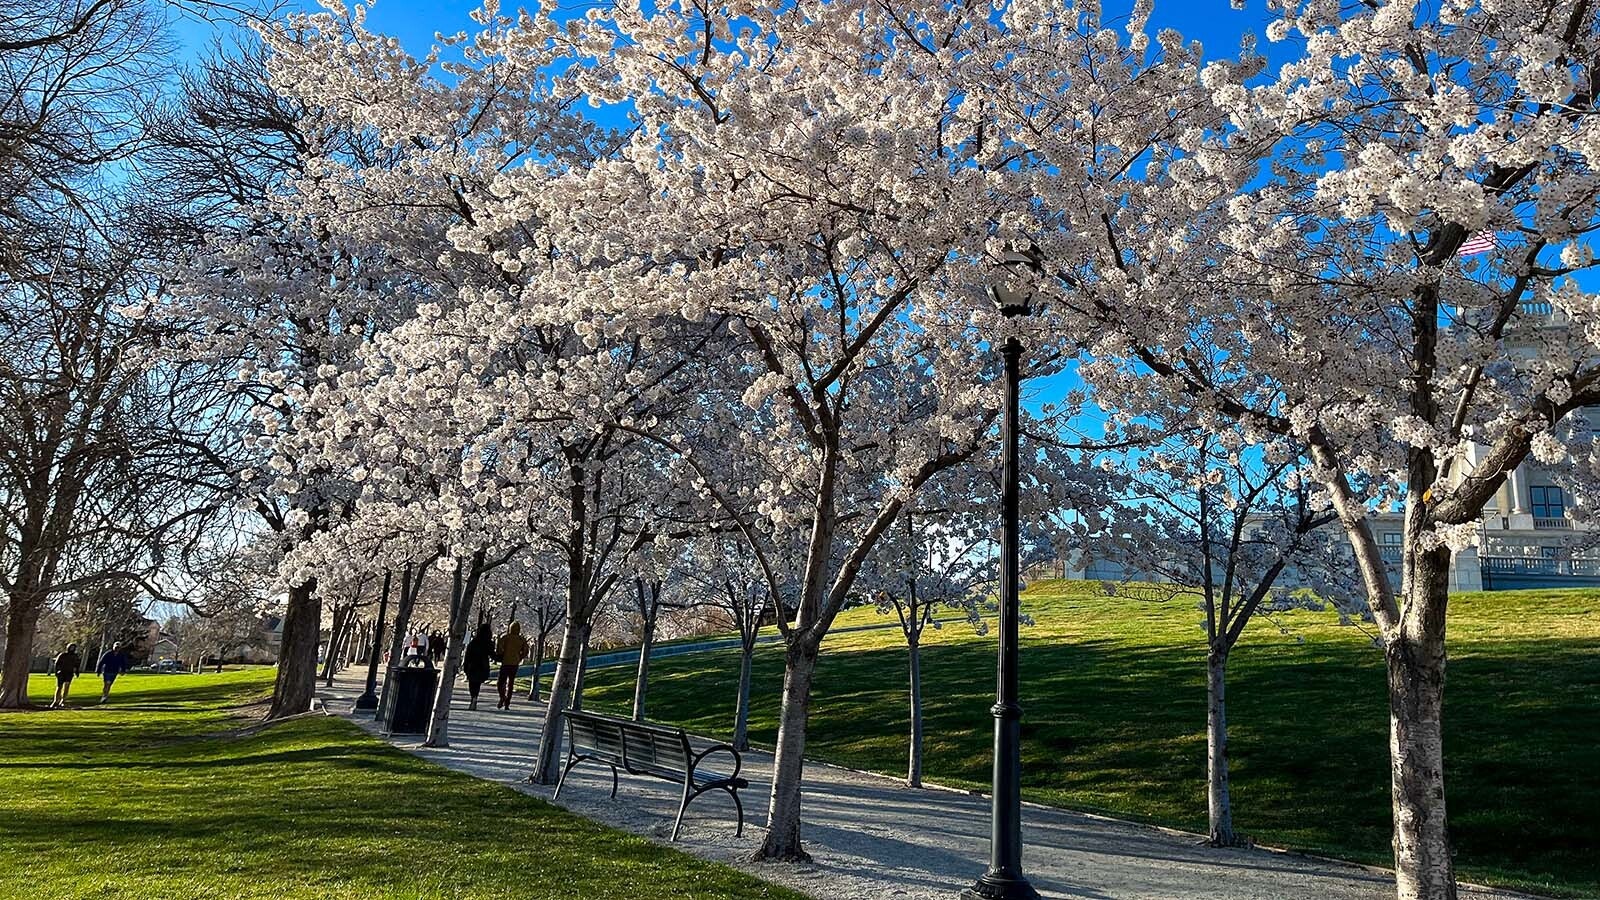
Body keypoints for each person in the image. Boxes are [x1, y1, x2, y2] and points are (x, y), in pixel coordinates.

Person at [494, 622, 530, 710]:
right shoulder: (521, 640)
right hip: (515, 664)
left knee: (500, 682)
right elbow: (525, 651)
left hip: (505, 663)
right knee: (511, 683)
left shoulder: (505, 638)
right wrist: (520, 657)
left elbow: (499, 648)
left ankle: (502, 697)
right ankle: (507, 703)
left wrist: (501, 655)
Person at [463, 623, 498, 711]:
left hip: (472, 664)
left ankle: (473, 697)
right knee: (477, 683)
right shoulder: (488, 643)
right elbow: (493, 655)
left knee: (472, 683)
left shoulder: (474, 642)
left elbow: (468, 655)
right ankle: (475, 697)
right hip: (482, 665)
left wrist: (465, 665)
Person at [51, 643, 82, 709]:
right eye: (71, 647)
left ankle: (63, 701)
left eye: (73, 648)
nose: (72, 649)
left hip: (69, 673)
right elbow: (57, 664)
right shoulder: (63, 655)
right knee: (59, 687)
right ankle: (56, 700)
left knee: (67, 686)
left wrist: (77, 672)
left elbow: (77, 664)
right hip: (61, 672)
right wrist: (57, 671)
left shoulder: (75, 656)